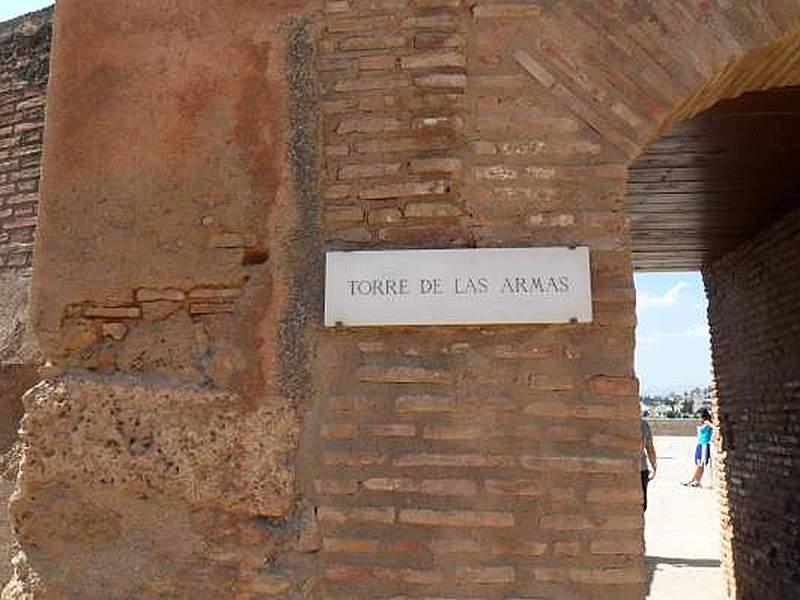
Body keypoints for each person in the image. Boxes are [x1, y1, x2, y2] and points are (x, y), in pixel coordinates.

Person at [682, 409, 713, 487]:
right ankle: (697, 481)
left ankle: (693, 480)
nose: (699, 417)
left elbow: (714, 427)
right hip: (700, 444)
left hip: (704, 445)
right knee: (699, 464)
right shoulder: (704, 423)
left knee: (700, 464)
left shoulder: (707, 422)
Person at [641, 415, 657, 511]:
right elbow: (650, 448)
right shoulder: (643, 425)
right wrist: (654, 466)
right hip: (641, 468)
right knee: (642, 504)